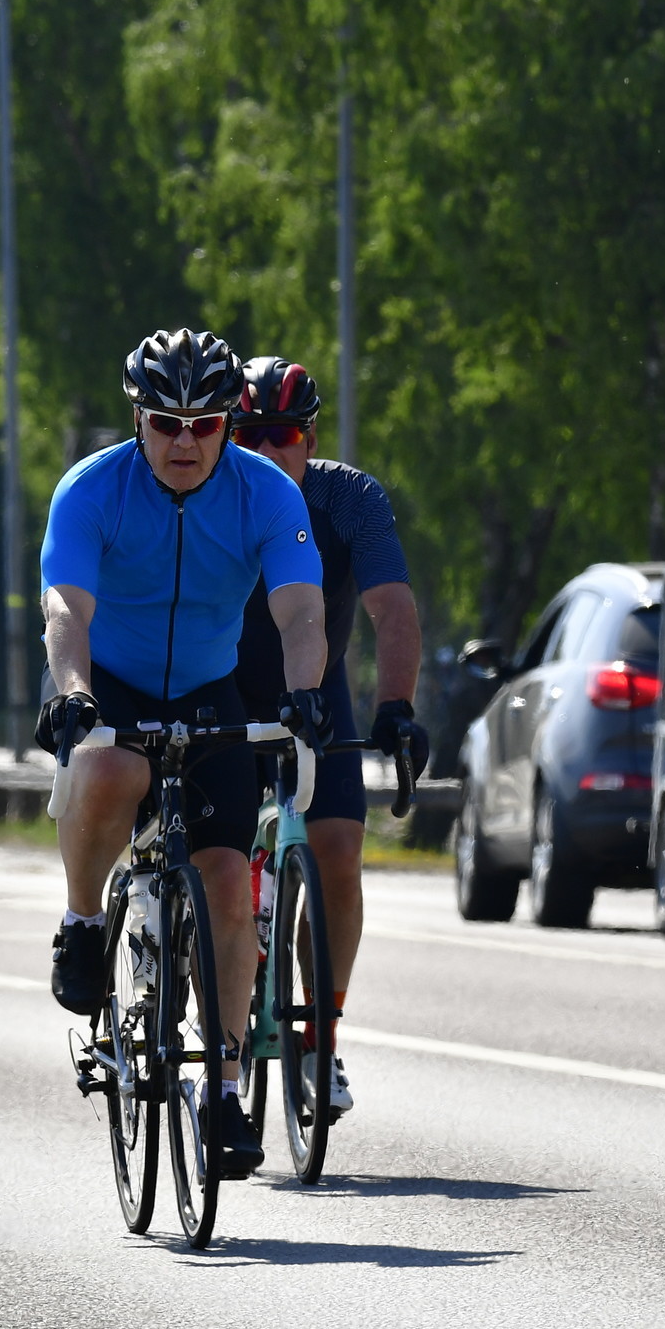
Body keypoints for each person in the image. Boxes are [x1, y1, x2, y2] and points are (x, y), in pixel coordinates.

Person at [37, 329, 328, 1176]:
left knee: (229, 887)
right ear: (138, 418)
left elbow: (301, 613)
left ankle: (224, 1091)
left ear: (230, 423)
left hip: (208, 689)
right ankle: (83, 923)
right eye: (167, 423)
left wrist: (305, 692)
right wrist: (73, 693)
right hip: (109, 681)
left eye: (205, 425)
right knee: (112, 767)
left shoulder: (266, 494)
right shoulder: (92, 488)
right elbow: (66, 608)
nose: (185, 443)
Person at [229, 358, 427, 1119]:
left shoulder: (350, 499)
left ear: (311, 440)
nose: (267, 449)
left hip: (317, 693)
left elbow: (392, 609)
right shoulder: (206, 497)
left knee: (339, 855)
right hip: (222, 690)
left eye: (284, 435)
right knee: (216, 865)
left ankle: (322, 1037)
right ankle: (210, 1009)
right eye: (249, 434)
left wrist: (397, 707)